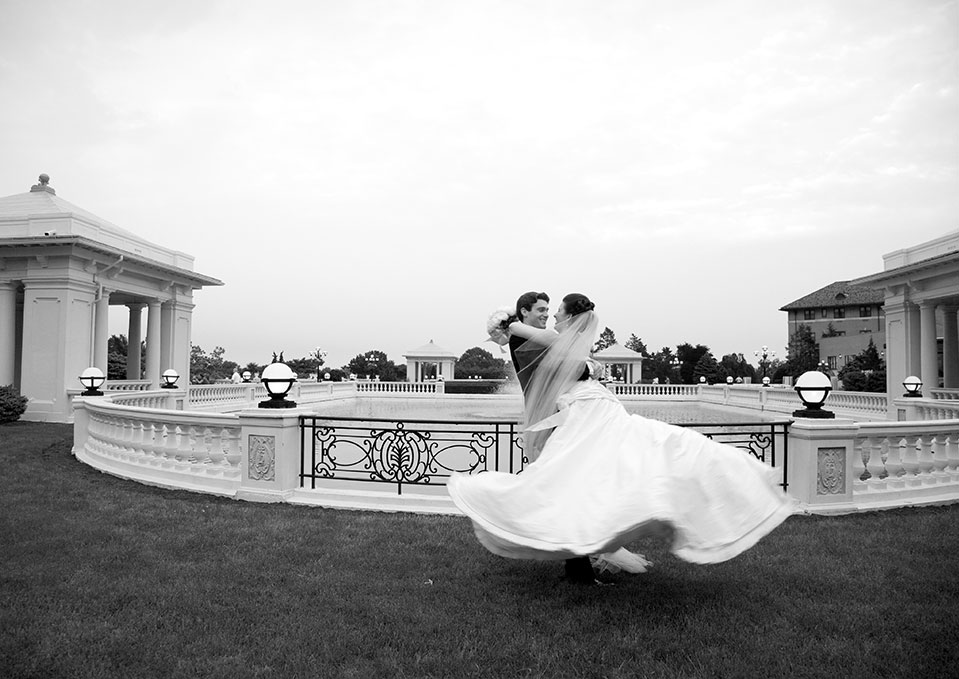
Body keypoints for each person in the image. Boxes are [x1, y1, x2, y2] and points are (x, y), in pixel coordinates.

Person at [448, 293, 793, 583]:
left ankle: (586, 557)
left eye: (553, 311)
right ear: (526, 311)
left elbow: (543, 348)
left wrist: (512, 326)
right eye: (541, 310)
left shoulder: (547, 338)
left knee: (600, 475)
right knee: (585, 479)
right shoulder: (537, 339)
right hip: (580, 414)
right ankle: (578, 558)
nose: (549, 315)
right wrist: (511, 326)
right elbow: (543, 353)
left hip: (591, 412)